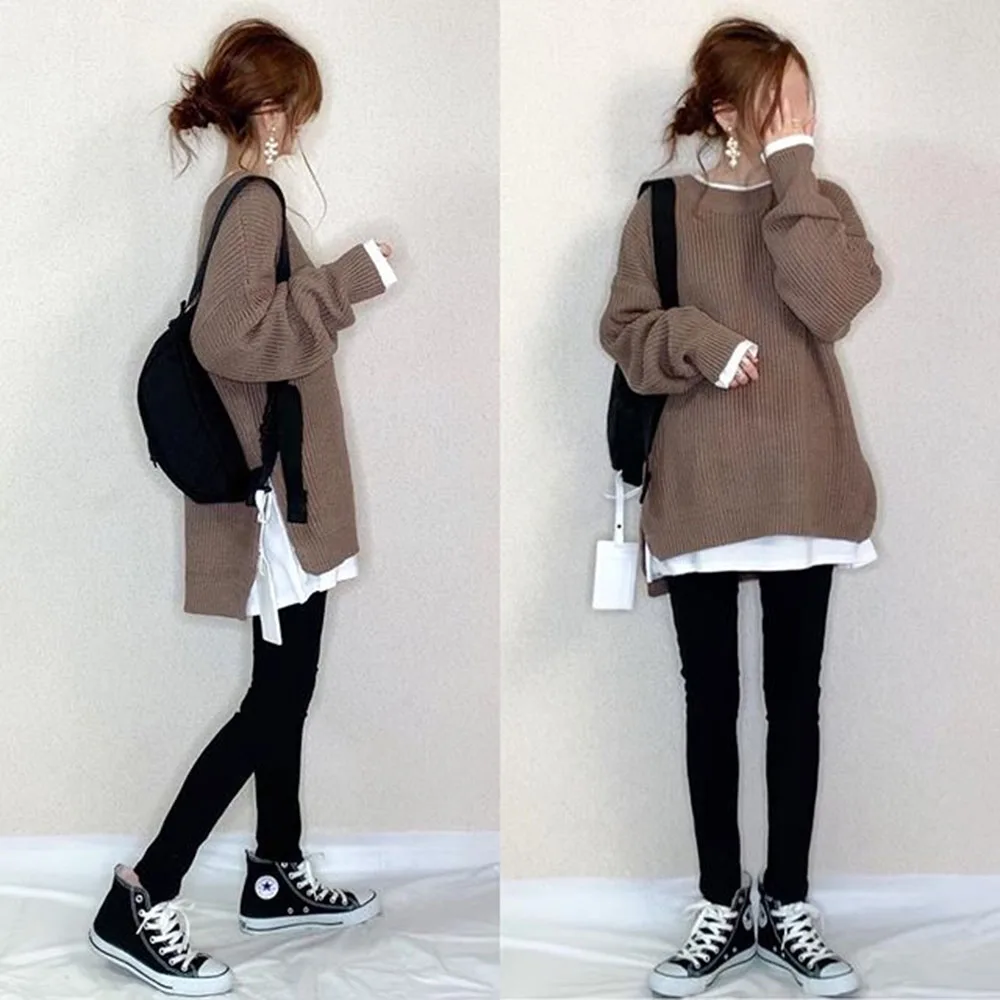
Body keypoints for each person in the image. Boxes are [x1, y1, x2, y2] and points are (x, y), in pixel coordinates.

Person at [88, 19, 397, 996]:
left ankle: (274, 869)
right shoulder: (255, 200)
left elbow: (239, 333)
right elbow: (228, 338)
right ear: (268, 112)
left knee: (283, 690)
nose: (300, 127)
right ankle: (145, 891)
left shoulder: (238, 200)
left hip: (281, 494)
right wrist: (348, 282)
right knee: (274, 700)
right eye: (296, 109)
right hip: (280, 501)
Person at [599, 17, 881, 999]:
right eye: (779, 103)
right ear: (725, 112)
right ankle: (722, 901)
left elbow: (832, 304)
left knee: (795, 701)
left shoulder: (821, 205)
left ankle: (787, 902)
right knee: (709, 701)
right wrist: (698, 340)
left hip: (807, 483)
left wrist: (792, 172)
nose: (801, 118)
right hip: (701, 488)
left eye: (806, 100)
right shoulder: (662, 211)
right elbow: (624, 333)